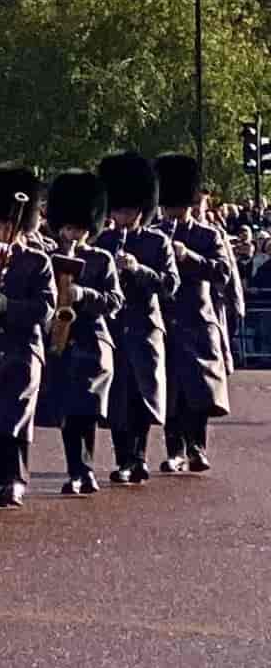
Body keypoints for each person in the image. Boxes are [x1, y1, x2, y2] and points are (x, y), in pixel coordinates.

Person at [0, 165, 54, 510]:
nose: (2, 230)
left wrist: (6, 305)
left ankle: (16, 481)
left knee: (16, 416)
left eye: (7, 224)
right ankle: (4, 480)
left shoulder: (37, 261)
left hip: (24, 349)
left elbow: (45, 309)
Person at [34, 170, 122, 496]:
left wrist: (84, 295)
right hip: (59, 343)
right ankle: (77, 471)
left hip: (92, 342)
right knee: (68, 413)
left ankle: (84, 470)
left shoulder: (102, 259)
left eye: (79, 229)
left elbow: (115, 301)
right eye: (68, 228)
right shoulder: (47, 258)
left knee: (86, 410)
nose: (73, 235)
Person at [96, 152, 178, 485]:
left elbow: (170, 284)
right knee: (118, 398)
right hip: (114, 329)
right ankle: (123, 459)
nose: (121, 217)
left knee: (141, 394)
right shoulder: (102, 242)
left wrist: (137, 269)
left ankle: (139, 457)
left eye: (127, 211)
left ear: (141, 210)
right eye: (117, 210)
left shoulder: (157, 241)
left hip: (145, 327)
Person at [155, 154, 233, 474]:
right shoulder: (156, 234)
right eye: (170, 206)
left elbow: (223, 273)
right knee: (171, 391)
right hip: (166, 319)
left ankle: (197, 447)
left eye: (179, 206)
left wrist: (189, 258)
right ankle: (175, 450)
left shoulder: (208, 235)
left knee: (198, 391)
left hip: (198, 319)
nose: (175, 212)